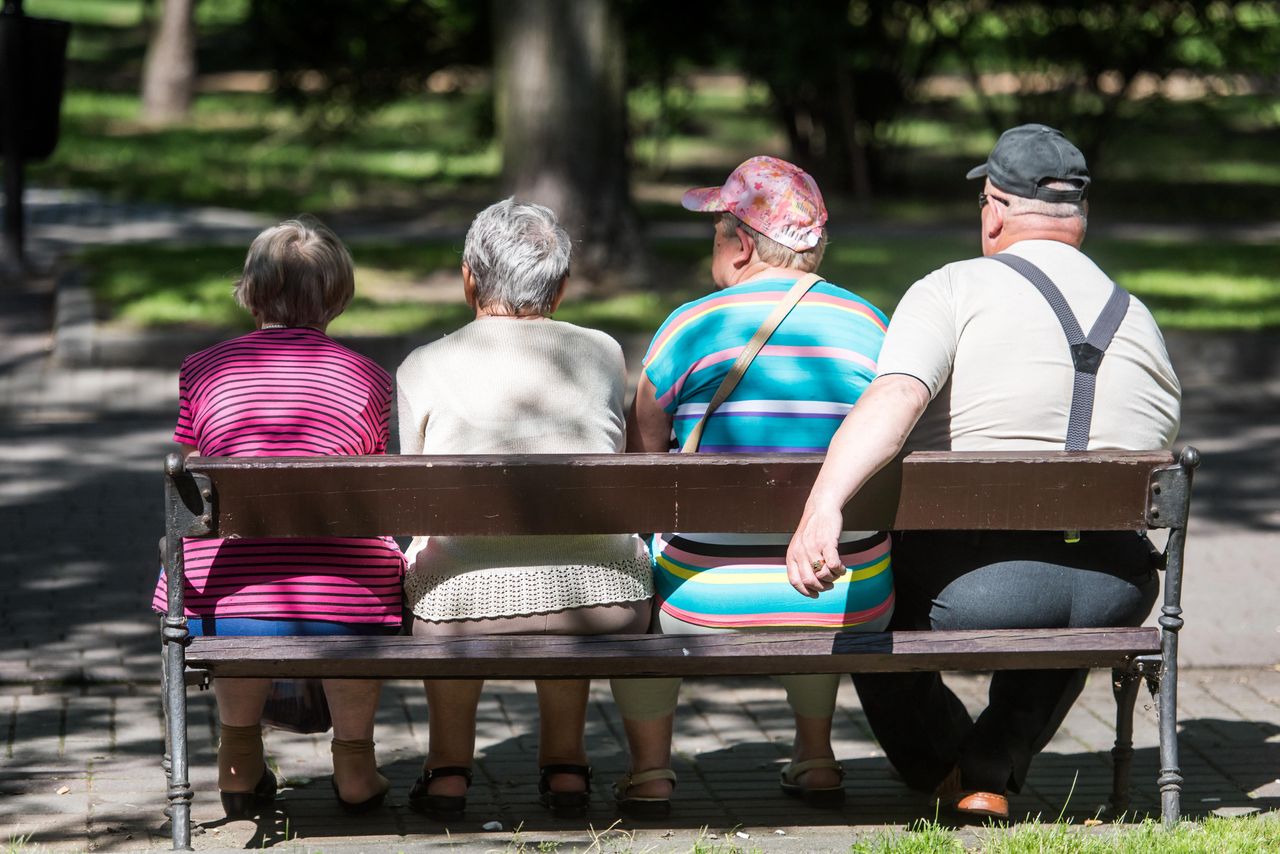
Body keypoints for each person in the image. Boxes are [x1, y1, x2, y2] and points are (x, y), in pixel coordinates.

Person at [787, 124, 1181, 820]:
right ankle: (988, 767)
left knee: (868, 587)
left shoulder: (952, 289)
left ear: (994, 208)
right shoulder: (1140, 318)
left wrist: (824, 505)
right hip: (1117, 591)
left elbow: (896, 395)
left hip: (977, 588)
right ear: (1077, 218)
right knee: (1067, 593)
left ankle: (947, 768)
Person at [610, 156, 895, 816]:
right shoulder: (873, 328)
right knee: (815, 553)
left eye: (716, 230)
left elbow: (640, 460)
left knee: (633, 572)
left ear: (739, 243)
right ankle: (816, 756)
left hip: (701, 598)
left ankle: (652, 770)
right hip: (845, 594)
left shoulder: (691, 326)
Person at [396, 198, 653, 821]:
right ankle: (565, 767)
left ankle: (449, 771)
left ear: (468, 278)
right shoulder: (601, 353)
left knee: (447, 564)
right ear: (560, 288)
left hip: (459, 609)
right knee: (569, 557)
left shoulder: (422, 365)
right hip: (606, 602)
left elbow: (409, 503)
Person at [151, 217, 404, 817]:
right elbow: (365, 479)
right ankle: (355, 765)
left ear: (252, 291)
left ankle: (238, 758)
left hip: (224, 604)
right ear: (337, 296)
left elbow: (193, 473)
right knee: (359, 577)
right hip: (345, 605)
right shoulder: (369, 377)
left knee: (227, 569)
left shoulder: (203, 369)